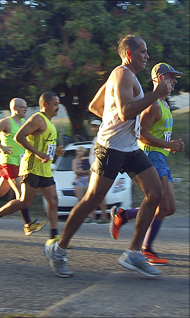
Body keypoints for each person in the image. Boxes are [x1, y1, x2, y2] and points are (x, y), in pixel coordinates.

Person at [44, 34, 172, 278]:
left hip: (130, 148)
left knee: (155, 193)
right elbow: (125, 113)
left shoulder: (122, 75)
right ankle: (58, 250)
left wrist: (111, 117)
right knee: (91, 200)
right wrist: (155, 94)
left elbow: (95, 106)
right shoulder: (123, 74)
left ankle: (133, 253)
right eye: (144, 52)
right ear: (130, 54)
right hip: (110, 149)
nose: (147, 56)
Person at [109, 63, 184, 265]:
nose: (175, 81)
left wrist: (171, 145)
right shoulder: (152, 104)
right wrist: (168, 144)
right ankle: (145, 248)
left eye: (175, 78)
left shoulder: (165, 105)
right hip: (151, 156)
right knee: (164, 204)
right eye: (170, 77)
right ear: (159, 79)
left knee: (169, 208)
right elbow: (140, 134)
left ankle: (125, 215)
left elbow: (158, 134)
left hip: (161, 158)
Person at [0, 92, 64, 245]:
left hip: (44, 169)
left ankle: (54, 237)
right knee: (24, 201)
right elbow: (18, 137)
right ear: (45, 105)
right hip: (31, 167)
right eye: (55, 104)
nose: (58, 107)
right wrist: (38, 153)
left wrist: (56, 152)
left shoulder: (51, 123)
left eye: (58, 104)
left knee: (53, 201)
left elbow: (46, 147)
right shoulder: (37, 119)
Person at [0, 98, 46, 236]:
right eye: (23, 107)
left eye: (27, 107)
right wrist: (1, 146)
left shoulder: (22, 123)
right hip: (8, 162)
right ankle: (28, 224)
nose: (26, 109)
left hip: (20, 163)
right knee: (22, 195)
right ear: (15, 108)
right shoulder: (6, 122)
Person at [87, 119, 108, 224]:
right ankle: (92, 215)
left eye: (96, 126)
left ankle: (103, 216)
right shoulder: (94, 139)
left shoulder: (101, 138)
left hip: (99, 170)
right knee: (93, 194)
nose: (94, 128)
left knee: (99, 194)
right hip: (93, 170)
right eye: (93, 126)